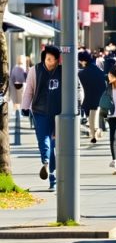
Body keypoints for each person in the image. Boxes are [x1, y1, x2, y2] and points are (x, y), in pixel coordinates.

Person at [21, 45, 82, 190]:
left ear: (57, 60)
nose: (50, 62)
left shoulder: (64, 70)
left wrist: (77, 106)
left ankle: (52, 173)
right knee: (44, 141)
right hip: (39, 112)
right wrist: (24, 107)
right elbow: (28, 90)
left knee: (54, 145)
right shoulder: (35, 70)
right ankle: (47, 164)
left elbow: (78, 89)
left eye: (53, 60)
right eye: (48, 59)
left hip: (59, 113)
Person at [78, 51, 107, 144]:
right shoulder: (99, 71)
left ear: (84, 61)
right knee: (94, 114)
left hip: (87, 96)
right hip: (99, 96)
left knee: (91, 116)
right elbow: (103, 85)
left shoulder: (82, 73)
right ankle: (96, 132)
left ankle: (94, 134)